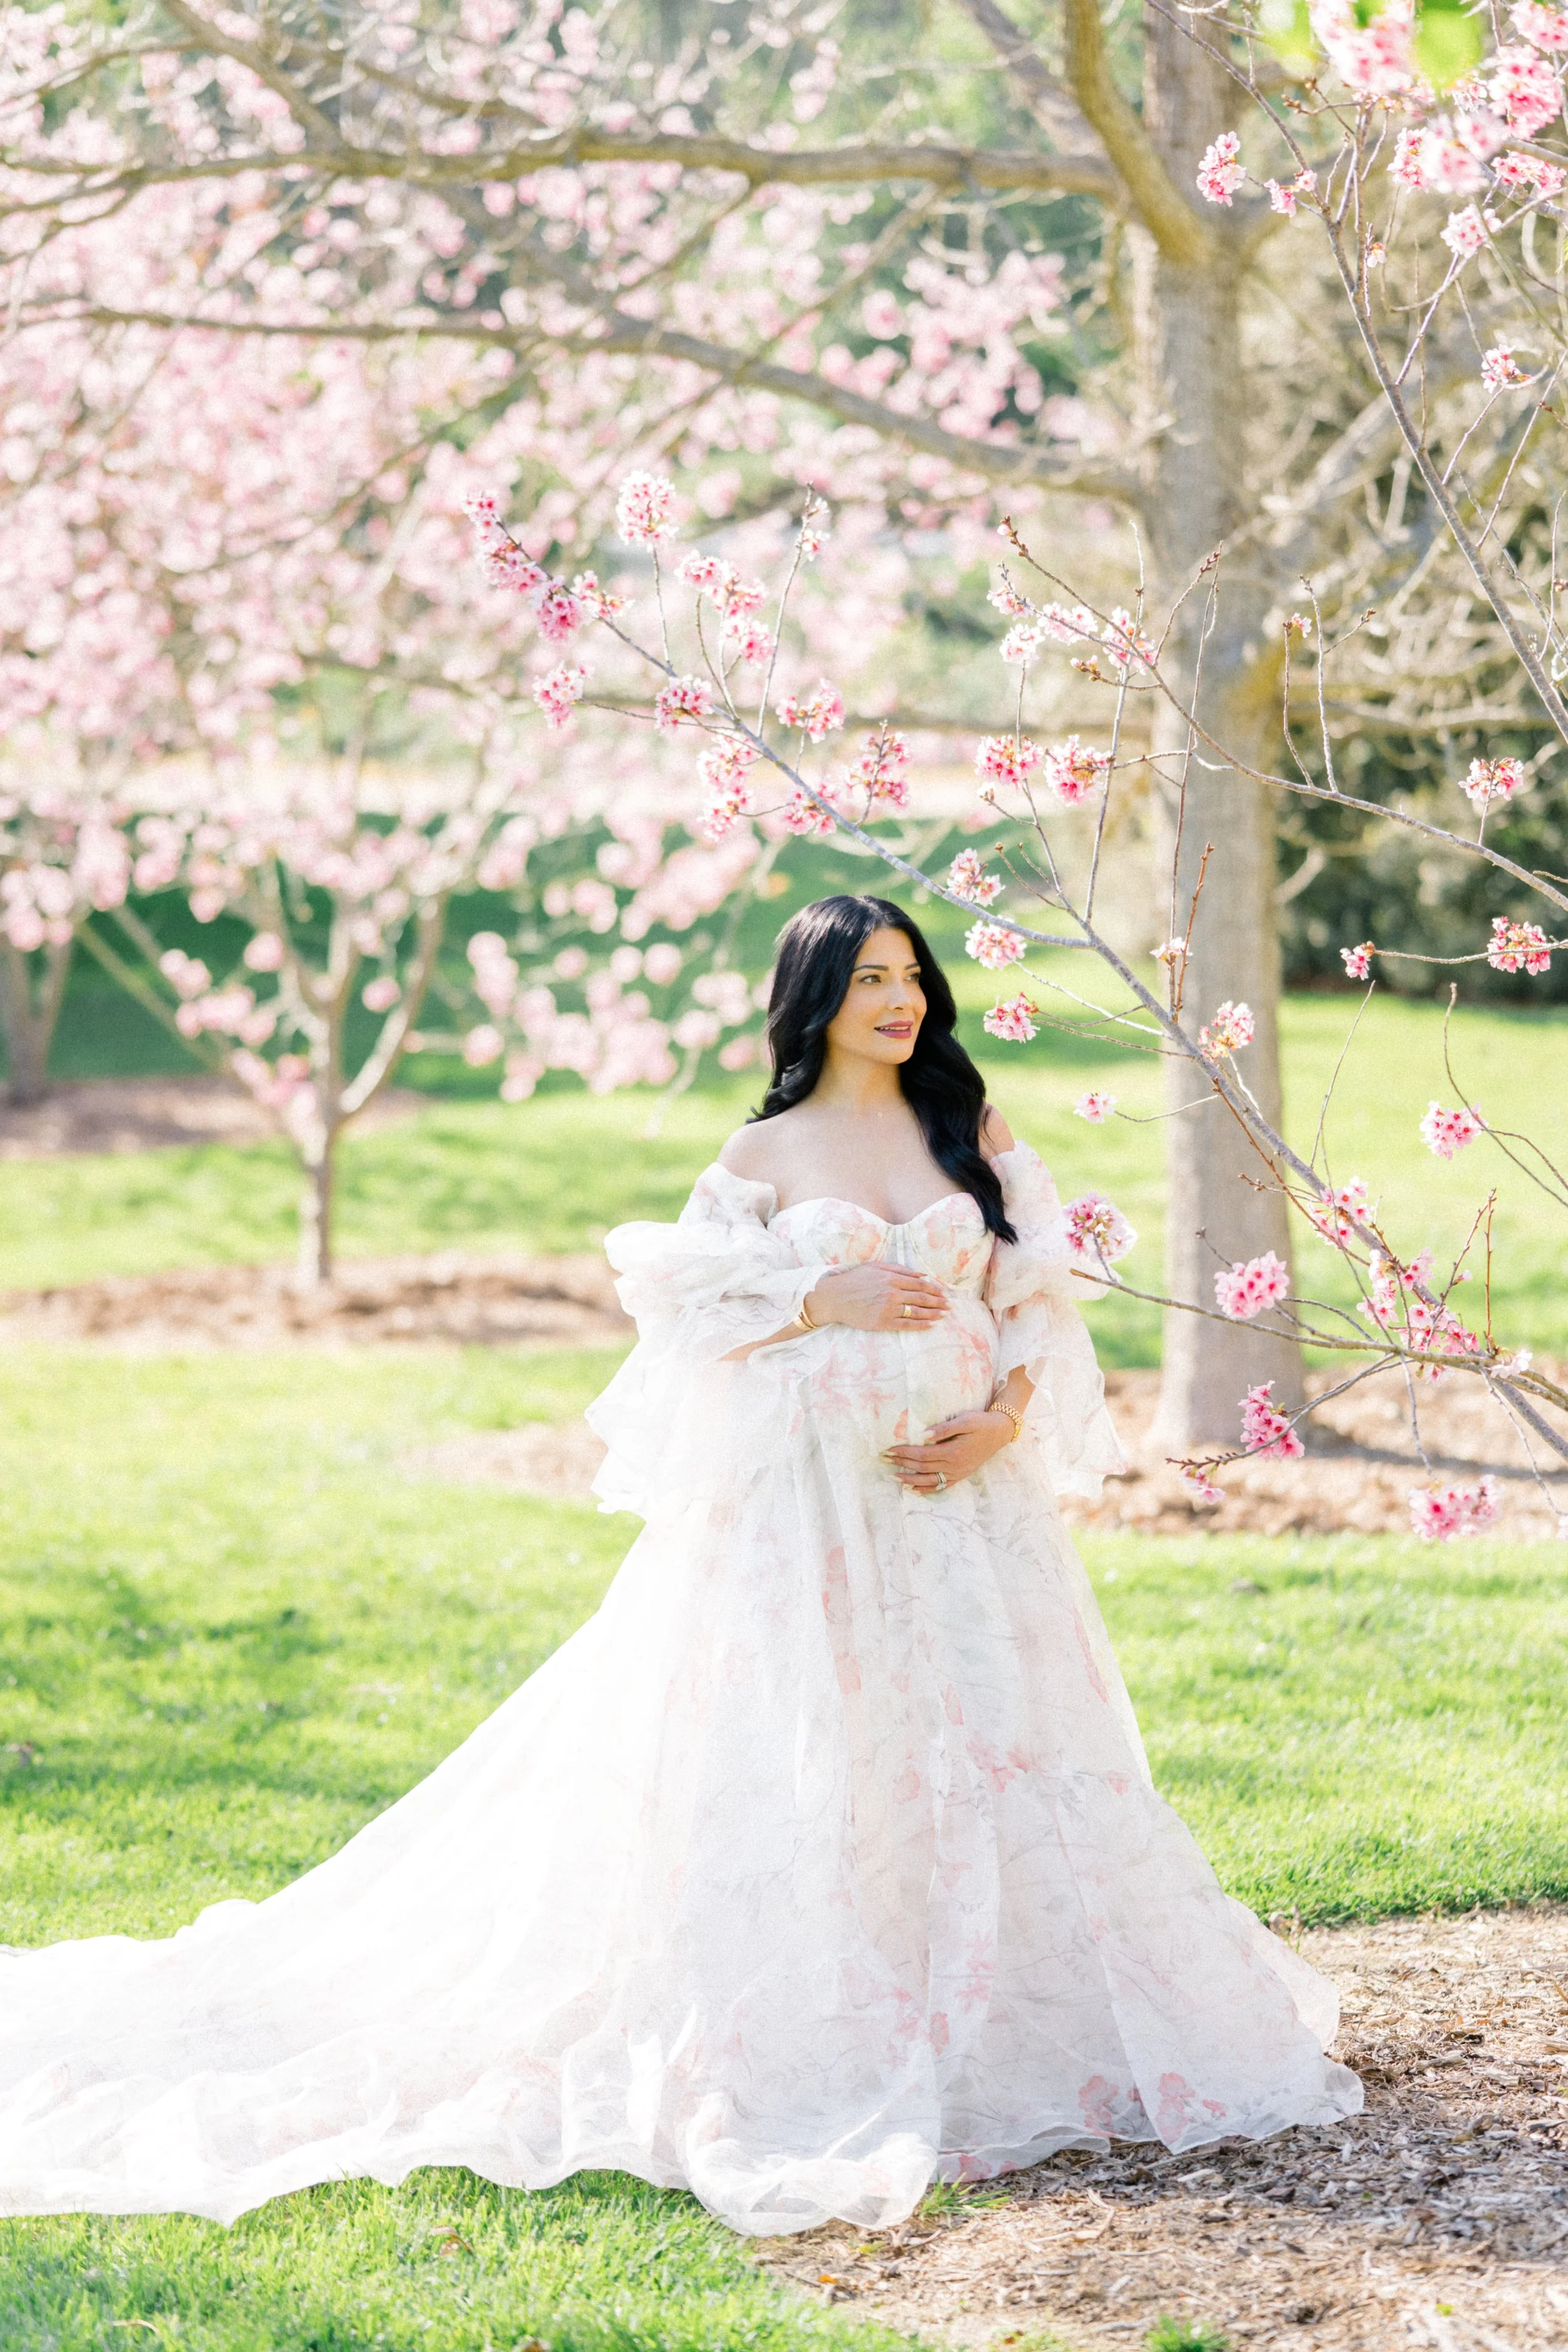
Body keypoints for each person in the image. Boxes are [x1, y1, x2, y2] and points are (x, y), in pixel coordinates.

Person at [0, 893, 1360, 2237]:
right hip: (806, 1513)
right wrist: (811, 1295)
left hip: (959, 1508)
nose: (898, 1002)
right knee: (812, 1747)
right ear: (814, 998)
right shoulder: (761, 1152)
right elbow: (676, 1303)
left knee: (979, 1743)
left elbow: (1036, 1301)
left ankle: (989, 2003)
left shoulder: (971, 1130)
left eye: (910, 977)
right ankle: (812, 2019)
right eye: (870, 979)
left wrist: (999, 1420)